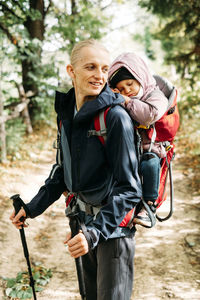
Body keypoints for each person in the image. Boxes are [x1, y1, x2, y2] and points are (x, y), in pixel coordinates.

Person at [10, 40, 142, 300]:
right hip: (81, 224)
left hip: (112, 230)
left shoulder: (115, 118)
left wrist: (94, 233)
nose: (100, 75)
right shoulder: (66, 114)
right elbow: (62, 171)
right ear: (71, 71)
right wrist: (32, 207)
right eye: (90, 67)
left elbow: (130, 189)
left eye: (104, 68)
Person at [108, 52, 169, 228]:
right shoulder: (124, 98)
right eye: (121, 88)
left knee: (149, 164)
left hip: (151, 148)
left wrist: (126, 101)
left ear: (140, 79)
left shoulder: (155, 95)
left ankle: (149, 206)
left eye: (129, 84)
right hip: (130, 148)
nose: (127, 90)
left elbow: (150, 115)